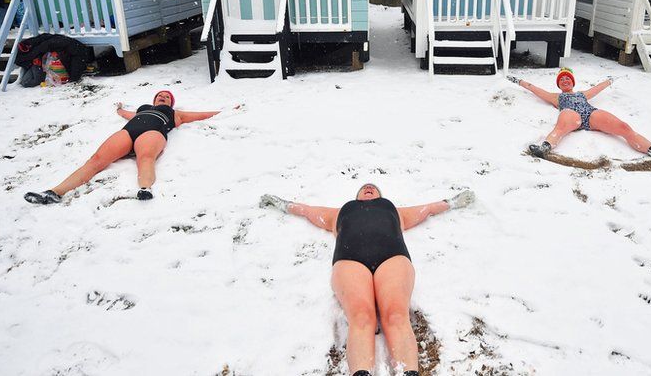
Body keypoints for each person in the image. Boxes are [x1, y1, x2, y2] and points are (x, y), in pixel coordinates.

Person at [259, 184, 475, 376]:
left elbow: (426, 209)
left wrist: (452, 202)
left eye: (373, 187)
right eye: (364, 188)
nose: (368, 188)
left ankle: (408, 373)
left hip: (391, 258)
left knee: (396, 315)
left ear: (380, 195)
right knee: (361, 317)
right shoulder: (341, 212)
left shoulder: (392, 210)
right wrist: (283, 204)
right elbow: (308, 211)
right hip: (350, 260)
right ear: (357, 196)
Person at [24, 90, 233, 204]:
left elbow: (201, 114)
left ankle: (145, 189)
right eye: (160, 95)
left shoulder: (175, 113)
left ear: (170, 103)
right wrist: (121, 110)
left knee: (145, 159)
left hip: (152, 133)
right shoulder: (143, 109)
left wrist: (223, 111)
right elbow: (127, 115)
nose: (163, 96)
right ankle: (54, 192)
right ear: (153, 99)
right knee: (96, 160)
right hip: (128, 132)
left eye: (167, 97)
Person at [509, 67, 651, 166]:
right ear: (558, 84)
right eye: (561, 79)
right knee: (562, 126)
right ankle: (545, 148)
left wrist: (610, 80)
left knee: (624, 127)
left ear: (572, 82)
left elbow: (598, 88)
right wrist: (518, 81)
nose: (565, 80)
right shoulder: (557, 97)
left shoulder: (583, 94)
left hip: (590, 114)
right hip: (571, 115)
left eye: (568, 78)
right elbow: (534, 89)